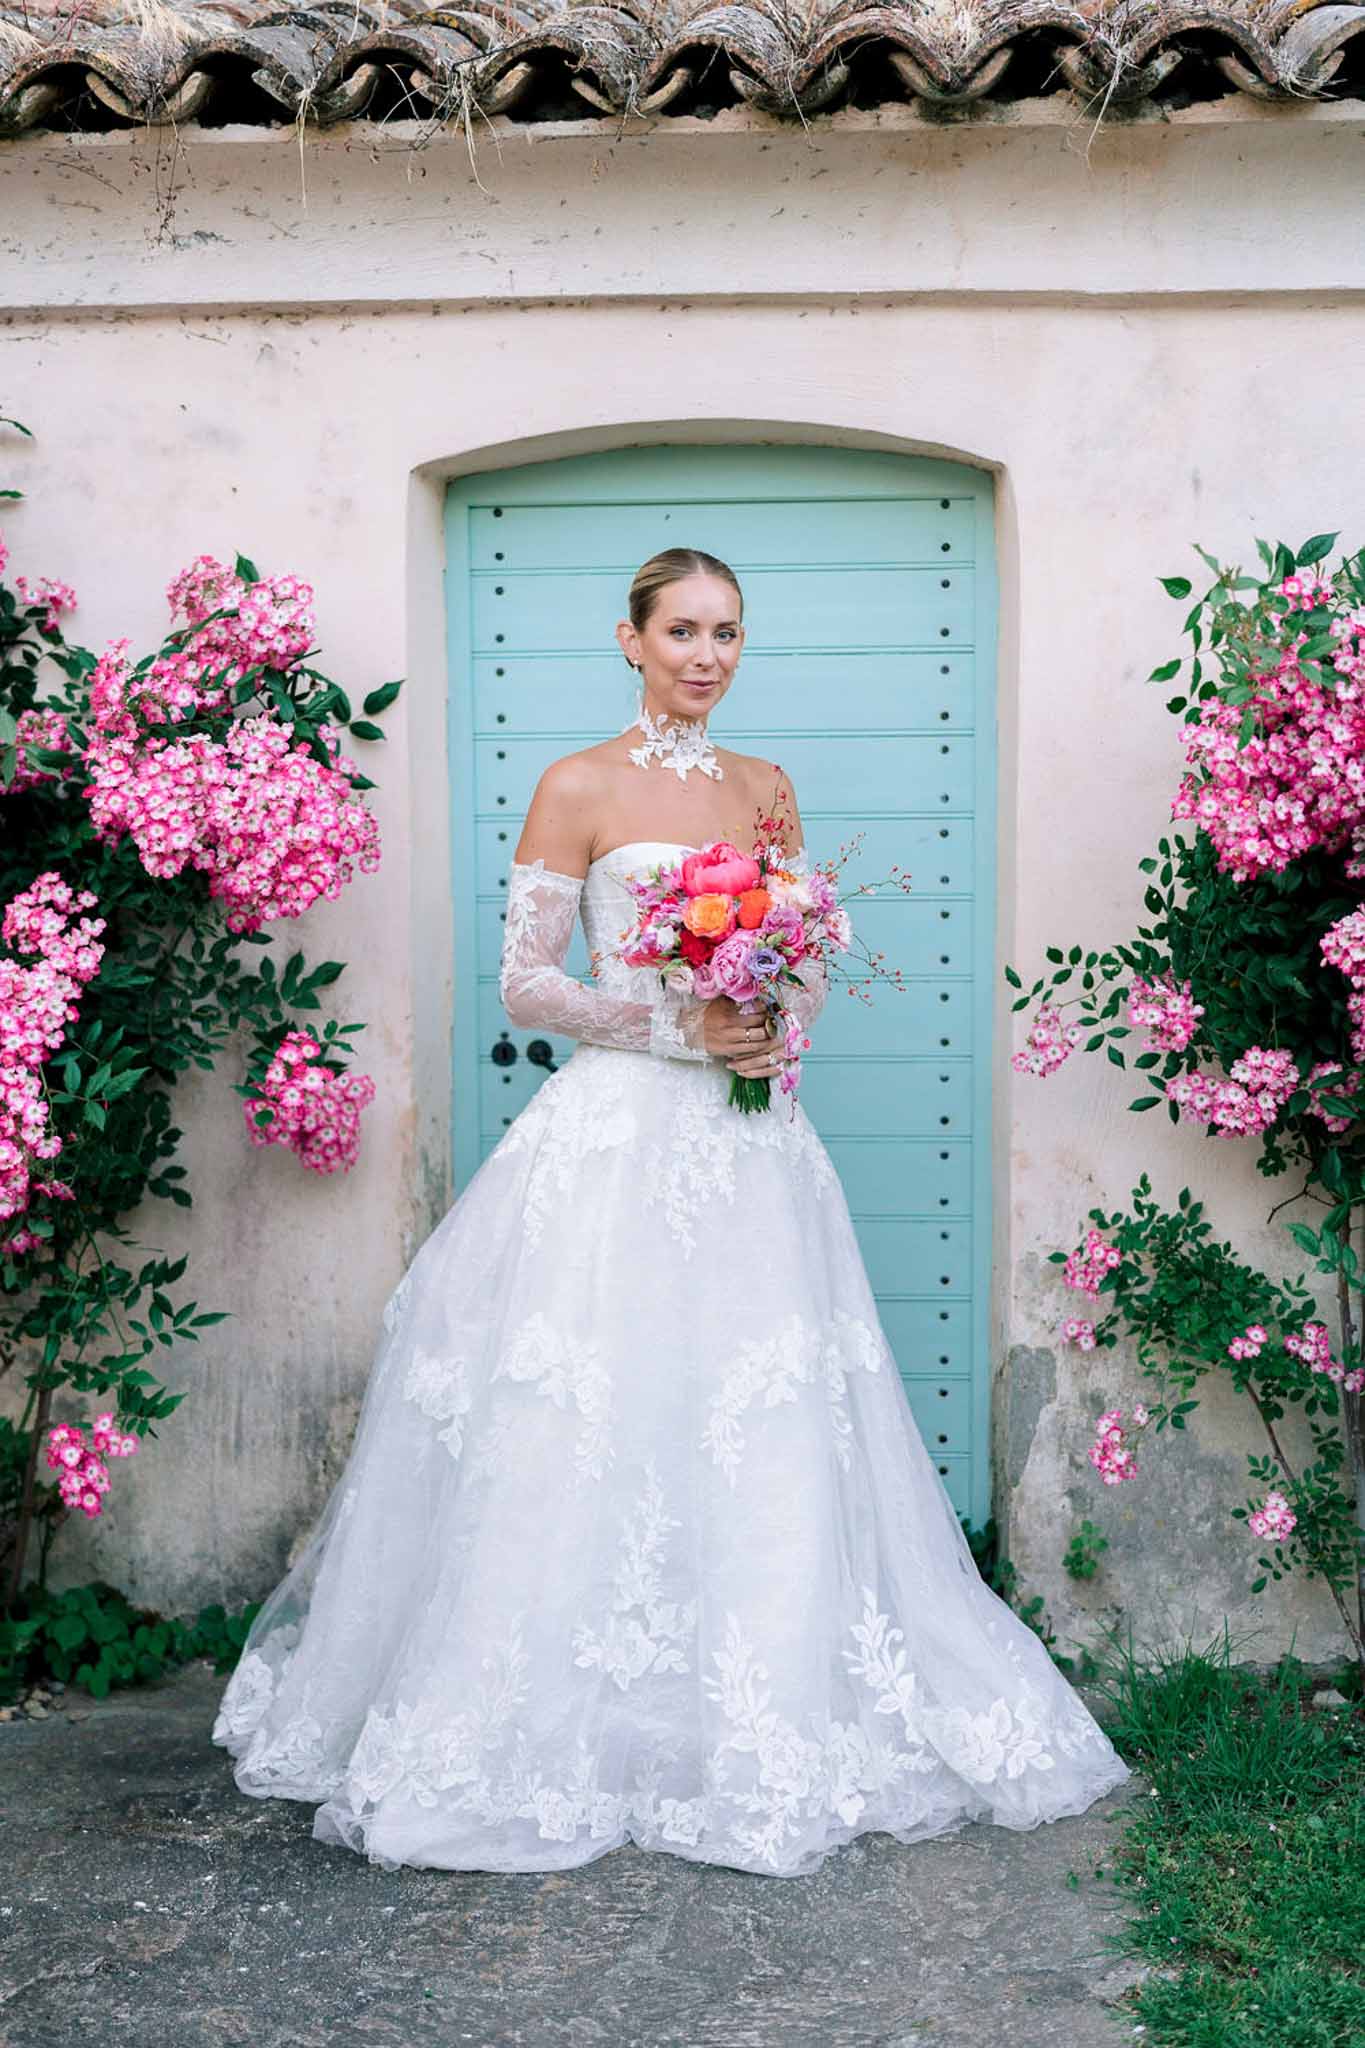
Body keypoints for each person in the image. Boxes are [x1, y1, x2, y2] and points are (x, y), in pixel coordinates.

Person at [212, 546, 1131, 1877]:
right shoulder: (576, 784)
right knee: (589, 1400)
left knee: (751, 1408)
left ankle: (752, 1710)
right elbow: (528, 982)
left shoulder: (766, 790)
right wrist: (672, 1019)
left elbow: (797, 961)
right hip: (612, 1136)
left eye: (727, 633)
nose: (705, 654)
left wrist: (768, 1026)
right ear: (631, 640)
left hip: (749, 1149)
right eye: (682, 630)